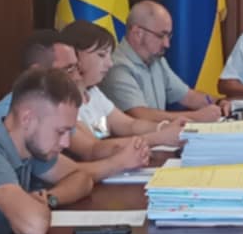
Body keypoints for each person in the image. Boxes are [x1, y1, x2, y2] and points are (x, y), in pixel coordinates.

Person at [0, 68, 141, 234]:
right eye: (60, 132)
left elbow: (82, 179)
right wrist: (34, 207)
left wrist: (50, 198)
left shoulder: (31, 146)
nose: (65, 143)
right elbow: (34, 225)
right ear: (27, 118)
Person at [0, 30, 156, 167]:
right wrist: (122, 161)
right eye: (68, 70)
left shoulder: (53, 105)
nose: (77, 77)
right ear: (37, 71)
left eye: (76, 67)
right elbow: (89, 153)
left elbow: (75, 171)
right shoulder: (16, 112)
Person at [59, 20, 187, 142]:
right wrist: (158, 137)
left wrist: (164, 127)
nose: (110, 64)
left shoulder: (93, 93)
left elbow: (129, 124)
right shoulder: (62, 103)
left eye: (109, 55)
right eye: (101, 55)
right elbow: (94, 148)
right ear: (74, 55)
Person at [103, 0, 229, 123]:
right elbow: (140, 115)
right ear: (137, 33)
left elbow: (188, 96)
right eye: (161, 36)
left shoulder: (157, 61)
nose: (167, 44)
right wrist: (195, 117)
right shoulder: (117, 67)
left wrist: (218, 102)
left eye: (168, 36)